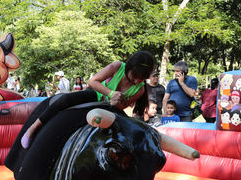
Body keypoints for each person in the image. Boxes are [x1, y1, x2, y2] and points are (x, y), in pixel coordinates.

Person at [20, 51, 156, 148]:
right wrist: (110, 93)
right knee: (64, 100)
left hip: (109, 109)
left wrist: (115, 103)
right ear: (129, 67)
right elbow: (93, 82)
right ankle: (33, 128)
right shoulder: (117, 66)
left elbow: (121, 107)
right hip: (94, 95)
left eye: (142, 79)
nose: (137, 80)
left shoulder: (140, 90)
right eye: (135, 75)